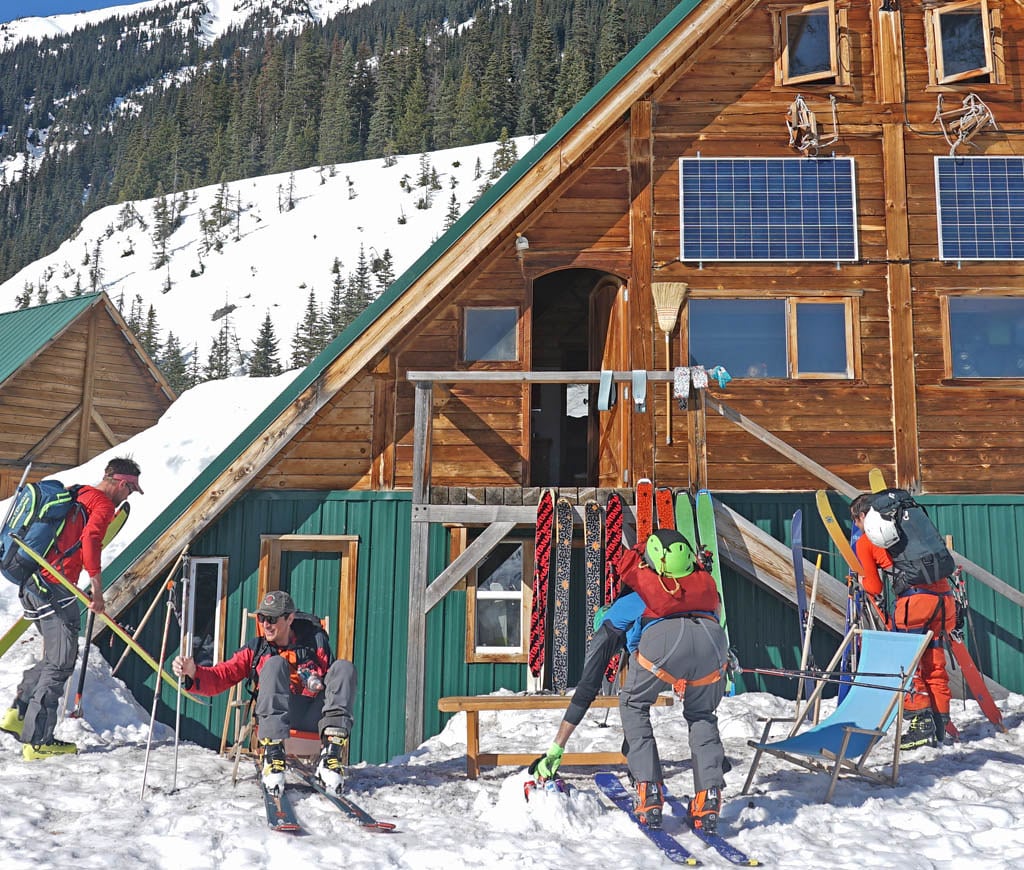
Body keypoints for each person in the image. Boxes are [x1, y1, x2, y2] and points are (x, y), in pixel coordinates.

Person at [531, 530, 729, 833]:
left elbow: (589, 684)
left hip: (662, 648)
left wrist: (557, 747)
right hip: (714, 643)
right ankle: (709, 797)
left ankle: (649, 791)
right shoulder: (703, 589)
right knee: (702, 715)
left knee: (634, 703)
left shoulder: (636, 599)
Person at [0, 457, 143, 760]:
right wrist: (98, 592)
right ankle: (38, 741)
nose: (128, 496)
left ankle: (19, 714)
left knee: (55, 657)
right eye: (130, 490)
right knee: (62, 662)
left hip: (34, 584)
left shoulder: (78, 493)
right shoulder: (103, 505)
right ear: (122, 483)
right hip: (55, 587)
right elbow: (91, 541)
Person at [172, 590, 357, 795]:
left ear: (290, 618)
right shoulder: (257, 649)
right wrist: (193, 672)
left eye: (272, 618)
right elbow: (221, 676)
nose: (265, 624)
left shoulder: (315, 643)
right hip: (275, 721)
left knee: (344, 668)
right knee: (274, 664)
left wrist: (318, 680)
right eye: (262, 618)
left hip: (313, 718)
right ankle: (273, 756)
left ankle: (331, 757)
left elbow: (336, 684)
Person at [850, 494, 958, 750]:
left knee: (905, 664)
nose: (857, 526)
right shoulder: (911, 531)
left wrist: (860, 580)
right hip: (944, 600)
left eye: (856, 520)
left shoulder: (868, 541)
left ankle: (920, 721)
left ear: (864, 516)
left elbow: (875, 587)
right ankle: (940, 722)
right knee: (934, 662)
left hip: (915, 603)